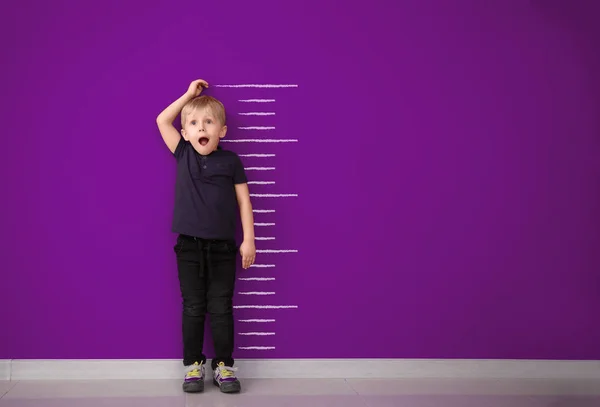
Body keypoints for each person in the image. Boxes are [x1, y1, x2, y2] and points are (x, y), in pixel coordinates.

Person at [156, 79, 256, 394]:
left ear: (221, 131)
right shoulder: (182, 152)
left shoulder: (231, 162)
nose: (202, 127)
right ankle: (193, 366)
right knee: (193, 307)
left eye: (209, 122)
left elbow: (244, 201)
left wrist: (249, 240)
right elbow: (161, 120)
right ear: (185, 132)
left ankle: (224, 365)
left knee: (222, 306)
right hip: (189, 247)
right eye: (195, 123)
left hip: (224, 248)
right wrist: (188, 96)